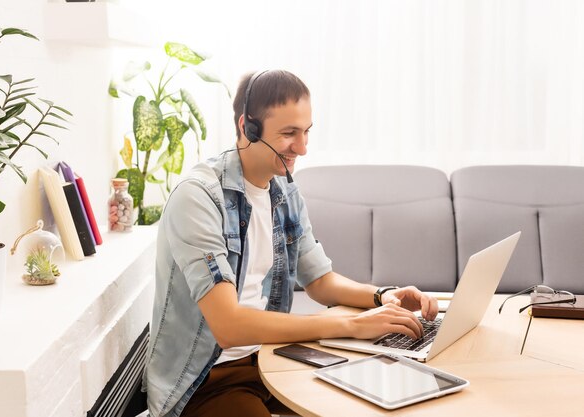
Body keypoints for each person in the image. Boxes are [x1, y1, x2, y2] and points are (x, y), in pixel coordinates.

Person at [143, 69, 439, 417]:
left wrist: (381, 296)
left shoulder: (282, 189)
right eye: (289, 134)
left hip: (272, 358)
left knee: (380, 399)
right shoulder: (198, 198)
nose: (302, 148)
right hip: (207, 381)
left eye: (306, 132)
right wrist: (350, 325)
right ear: (246, 128)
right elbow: (228, 326)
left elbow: (319, 281)